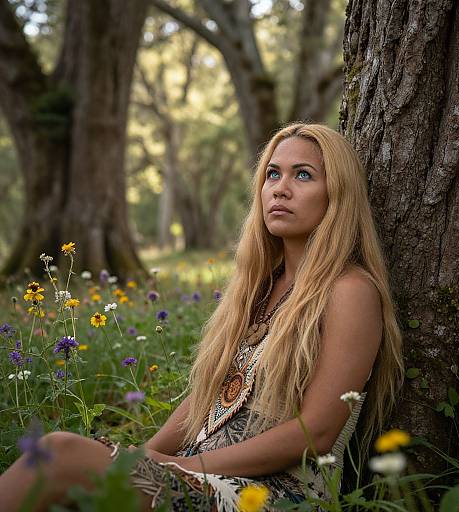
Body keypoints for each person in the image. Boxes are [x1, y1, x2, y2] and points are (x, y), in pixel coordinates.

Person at [0, 122, 404, 511]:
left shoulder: (349, 291)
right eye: (272, 174)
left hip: (272, 495)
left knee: (59, 453)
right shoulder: (261, 286)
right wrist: (147, 455)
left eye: (303, 175)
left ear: (338, 193)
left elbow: (316, 431)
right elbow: (209, 395)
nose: (280, 189)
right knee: (70, 476)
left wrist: (184, 466)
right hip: (200, 472)